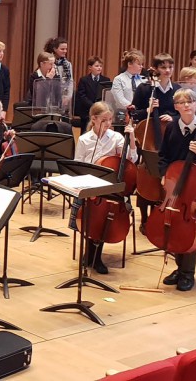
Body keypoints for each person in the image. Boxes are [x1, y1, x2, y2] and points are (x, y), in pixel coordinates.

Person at [157, 88, 196, 292]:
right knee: (175, 226)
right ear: (176, 107)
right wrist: (164, 174)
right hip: (174, 184)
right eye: (181, 102)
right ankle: (179, 268)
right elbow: (163, 155)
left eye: (190, 101)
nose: (186, 105)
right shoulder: (172, 127)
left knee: (191, 227)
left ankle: (188, 272)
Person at [73, 102, 137, 274]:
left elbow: (131, 159)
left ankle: (95, 256)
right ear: (93, 119)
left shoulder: (116, 137)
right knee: (90, 214)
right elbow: (78, 164)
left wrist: (131, 138)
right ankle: (89, 253)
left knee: (104, 215)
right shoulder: (84, 139)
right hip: (89, 185)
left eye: (110, 119)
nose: (108, 123)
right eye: (104, 120)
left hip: (110, 187)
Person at [111, 50, 146, 121]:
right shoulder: (119, 79)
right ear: (129, 64)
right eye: (139, 64)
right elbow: (119, 99)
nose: (141, 67)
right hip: (124, 114)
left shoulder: (144, 80)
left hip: (141, 114)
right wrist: (131, 107)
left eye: (142, 64)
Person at [74, 56, 108, 130]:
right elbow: (82, 96)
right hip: (87, 112)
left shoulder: (106, 80)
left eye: (100, 66)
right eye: (97, 66)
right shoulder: (84, 80)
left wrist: (99, 106)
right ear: (90, 67)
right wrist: (93, 105)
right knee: (85, 131)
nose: (99, 68)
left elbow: (106, 95)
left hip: (101, 111)